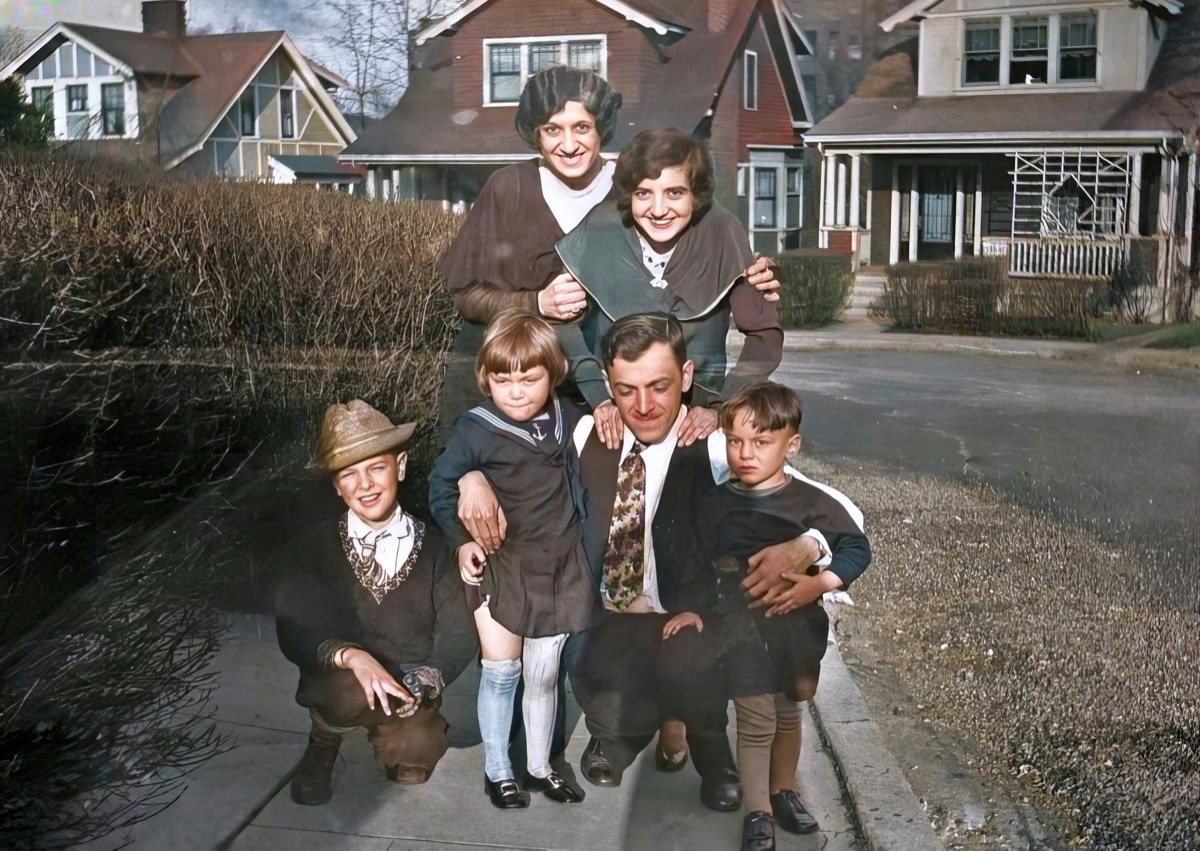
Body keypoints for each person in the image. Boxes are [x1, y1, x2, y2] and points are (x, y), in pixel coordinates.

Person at [456, 314, 826, 812]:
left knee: (691, 663)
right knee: (590, 659)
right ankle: (614, 733)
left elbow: (828, 506)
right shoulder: (588, 431)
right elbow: (498, 438)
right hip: (608, 613)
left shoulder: (715, 446)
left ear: (688, 377)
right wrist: (470, 478)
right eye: (627, 390)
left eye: (660, 386)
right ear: (608, 384)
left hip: (683, 613)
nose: (645, 406)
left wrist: (809, 545)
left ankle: (709, 749)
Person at [437, 67, 779, 445]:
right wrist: (535, 302)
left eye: (582, 127)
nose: (568, 145)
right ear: (535, 133)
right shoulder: (508, 189)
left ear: (602, 127)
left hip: (620, 399)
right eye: (552, 129)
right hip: (524, 391)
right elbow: (466, 295)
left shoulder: (637, 183)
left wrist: (748, 272)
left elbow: (697, 237)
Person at [660, 382, 871, 850]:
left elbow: (857, 545)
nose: (745, 454)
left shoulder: (810, 502)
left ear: (790, 445)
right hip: (736, 624)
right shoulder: (716, 500)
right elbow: (694, 558)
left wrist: (822, 582)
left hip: (796, 625)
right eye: (735, 441)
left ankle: (782, 791)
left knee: (788, 710)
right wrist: (692, 609)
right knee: (755, 717)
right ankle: (757, 813)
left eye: (761, 442)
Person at [428, 310, 599, 808]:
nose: (517, 392)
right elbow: (440, 487)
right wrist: (463, 539)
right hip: (503, 564)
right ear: (486, 379)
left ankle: (540, 766)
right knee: (502, 670)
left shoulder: (568, 419)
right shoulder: (476, 429)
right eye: (503, 380)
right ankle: (498, 769)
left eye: (530, 378)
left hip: (558, 565)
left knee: (544, 674)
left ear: (554, 373)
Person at [275, 400, 476, 806]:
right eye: (349, 474)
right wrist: (351, 656)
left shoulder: (435, 548)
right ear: (336, 485)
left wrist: (430, 676)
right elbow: (293, 624)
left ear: (400, 466)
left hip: (407, 684)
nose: (365, 485)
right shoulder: (315, 547)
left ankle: (400, 736)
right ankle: (324, 741)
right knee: (342, 693)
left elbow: (459, 629)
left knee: (417, 754)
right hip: (344, 680)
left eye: (376, 468)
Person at [555, 128, 784, 449]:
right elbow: (559, 317)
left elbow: (765, 334)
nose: (659, 209)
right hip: (611, 412)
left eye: (675, 193)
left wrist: (723, 405)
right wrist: (597, 394)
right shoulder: (601, 226)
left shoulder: (721, 229)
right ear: (627, 195)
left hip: (695, 416)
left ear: (697, 194)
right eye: (643, 193)